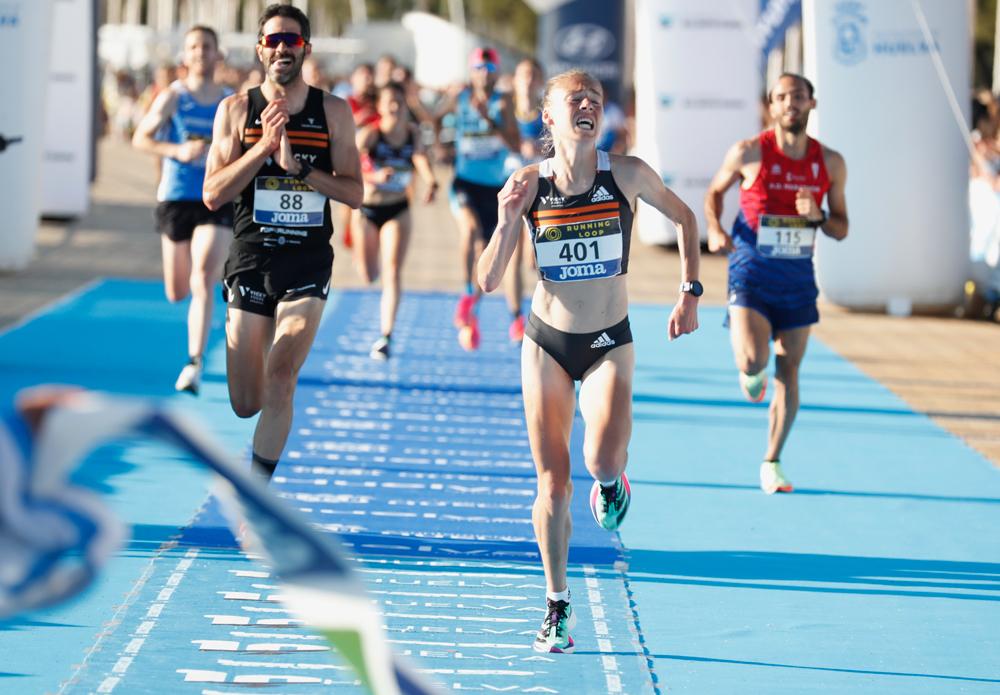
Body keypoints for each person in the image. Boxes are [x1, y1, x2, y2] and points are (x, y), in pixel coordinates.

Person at [477, 69, 701, 653]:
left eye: (595, 99)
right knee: (552, 482)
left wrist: (690, 290)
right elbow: (486, 280)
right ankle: (556, 605)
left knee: (600, 458)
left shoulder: (626, 174)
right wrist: (505, 222)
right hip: (547, 342)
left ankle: (611, 478)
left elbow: (685, 219)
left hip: (608, 342)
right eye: (574, 98)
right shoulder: (526, 183)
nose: (587, 105)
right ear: (547, 117)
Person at [202, 3, 363, 480]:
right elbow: (212, 194)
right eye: (272, 40)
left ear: (305, 49)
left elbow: (355, 192)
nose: (281, 48)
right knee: (244, 402)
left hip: (307, 263)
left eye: (291, 40)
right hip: (251, 258)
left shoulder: (332, 111)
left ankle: (257, 494)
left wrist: (302, 169)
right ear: (259, 50)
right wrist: (261, 150)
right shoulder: (235, 110)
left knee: (282, 376)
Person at [704, 73, 848, 494]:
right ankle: (751, 372)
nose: (791, 104)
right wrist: (715, 229)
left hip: (798, 279)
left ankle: (772, 460)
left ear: (812, 104)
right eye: (782, 97)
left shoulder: (830, 163)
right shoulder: (749, 152)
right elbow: (714, 193)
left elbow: (841, 228)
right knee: (752, 361)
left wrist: (818, 215)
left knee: (790, 368)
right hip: (751, 272)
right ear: (771, 105)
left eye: (798, 97)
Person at [132, 26, 233, 395]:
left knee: (203, 276)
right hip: (175, 197)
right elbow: (141, 138)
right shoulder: (173, 97)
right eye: (194, 47)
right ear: (185, 56)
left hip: (214, 198)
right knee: (177, 290)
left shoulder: (229, 100)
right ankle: (196, 347)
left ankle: (194, 362)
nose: (201, 53)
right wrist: (178, 152)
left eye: (207, 46)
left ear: (216, 54)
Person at [435, 47, 522, 350]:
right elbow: (433, 118)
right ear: (471, 72)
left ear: (496, 72)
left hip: (494, 187)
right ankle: (467, 294)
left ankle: (480, 307)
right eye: (478, 68)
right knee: (470, 230)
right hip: (464, 183)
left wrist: (490, 121)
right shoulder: (459, 99)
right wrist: (439, 146)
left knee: (486, 252)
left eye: (488, 67)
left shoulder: (503, 101)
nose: (483, 73)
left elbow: (515, 142)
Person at [354, 82, 439, 360]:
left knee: (392, 271)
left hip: (397, 208)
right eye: (389, 102)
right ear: (379, 106)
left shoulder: (412, 134)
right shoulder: (370, 135)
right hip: (367, 209)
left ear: (404, 106)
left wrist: (430, 180)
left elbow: (418, 158)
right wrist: (375, 177)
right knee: (368, 275)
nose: (394, 107)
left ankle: (385, 335)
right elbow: (349, 166)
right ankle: (372, 267)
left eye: (399, 103)